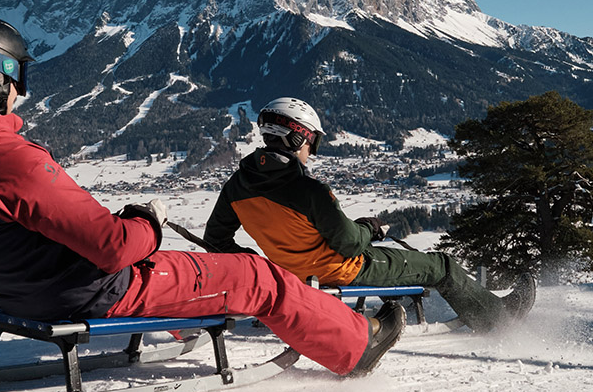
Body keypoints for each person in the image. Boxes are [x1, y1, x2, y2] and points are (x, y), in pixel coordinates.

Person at [0, 14, 404, 378]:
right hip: (95, 289)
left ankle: (195, 319)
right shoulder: (1, 154)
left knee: (197, 266)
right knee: (258, 275)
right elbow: (114, 247)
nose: (22, 90)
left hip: (27, 291)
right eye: (18, 76)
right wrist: (147, 221)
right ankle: (356, 345)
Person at [204, 97, 535, 333]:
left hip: (290, 273)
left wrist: (262, 267)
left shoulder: (238, 185)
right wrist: (369, 227)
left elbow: (216, 239)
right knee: (442, 265)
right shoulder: (309, 190)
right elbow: (349, 244)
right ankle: (497, 319)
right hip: (344, 269)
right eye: (311, 144)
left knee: (409, 262)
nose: (311, 152)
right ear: (298, 138)